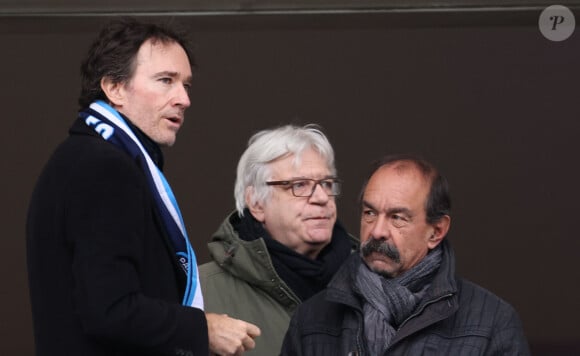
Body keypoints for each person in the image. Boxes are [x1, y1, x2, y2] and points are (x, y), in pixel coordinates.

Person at [26, 18, 258, 356]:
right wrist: (203, 327)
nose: (183, 99)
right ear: (114, 88)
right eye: (166, 81)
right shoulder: (104, 167)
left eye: (186, 85)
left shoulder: (82, 156)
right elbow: (109, 310)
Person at [281, 154, 531, 355]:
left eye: (397, 218)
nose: (377, 231)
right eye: (369, 213)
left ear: (436, 231)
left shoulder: (492, 322)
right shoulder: (312, 319)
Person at [199, 124, 358, 355]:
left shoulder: (372, 280)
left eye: (326, 183)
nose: (322, 197)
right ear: (256, 203)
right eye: (299, 185)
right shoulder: (200, 292)